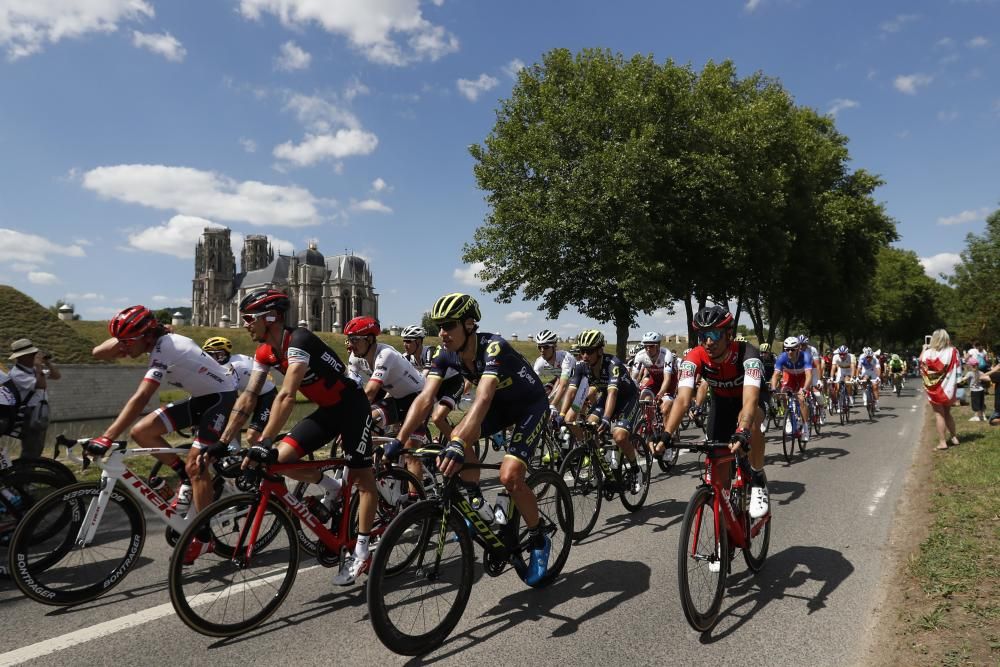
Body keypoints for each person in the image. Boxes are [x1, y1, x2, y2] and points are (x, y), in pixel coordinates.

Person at [383, 293, 554, 586]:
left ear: (470, 324)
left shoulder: (494, 347)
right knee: (458, 438)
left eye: (449, 326)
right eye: (439, 326)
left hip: (529, 406)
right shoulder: (444, 354)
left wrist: (460, 443)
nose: (442, 333)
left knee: (510, 476)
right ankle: (477, 503)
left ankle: (538, 537)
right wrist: (400, 439)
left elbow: (484, 395)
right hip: (500, 407)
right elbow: (425, 398)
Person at [217, 289, 378, 585]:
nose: (245, 325)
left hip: (353, 407)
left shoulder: (299, 341)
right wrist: (224, 441)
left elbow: (287, 395)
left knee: (362, 478)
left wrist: (262, 443)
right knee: (281, 460)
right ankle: (331, 486)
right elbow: (249, 396)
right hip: (328, 411)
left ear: (271, 317)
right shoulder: (265, 351)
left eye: (249, 318)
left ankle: (362, 550)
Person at [91, 306, 238, 562]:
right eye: (121, 342)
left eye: (127, 342)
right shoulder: (154, 341)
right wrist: (120, 343)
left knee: (198, 464)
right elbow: (97, 353)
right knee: (142, 432)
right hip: (200, 398)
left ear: (147, 336)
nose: (123, 348)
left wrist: (108, 436)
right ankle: (184, 477)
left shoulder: (167, 347)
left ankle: (204, 537)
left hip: (220, 398)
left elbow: (142, 397)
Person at [661, 305, 769, 518]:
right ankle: (726, 525)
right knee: (719, 475)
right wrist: (666, 434)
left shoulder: (748, 354)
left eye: (714, 334)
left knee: (752, 419)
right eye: (703, 335)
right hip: (721, 403)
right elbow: (682, 399)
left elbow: (749, 400)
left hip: (750, 400)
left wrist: (743, 430)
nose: (708, 341)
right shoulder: (694, 356)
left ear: (729, 334)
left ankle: (757, 479)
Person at [344, 316, 427, 497]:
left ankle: (416, 503)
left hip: (420, 397)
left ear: (370, 339)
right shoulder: (355, 357)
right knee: (369, 423)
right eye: (349, 340)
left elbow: (371, 391)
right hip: (398, 398)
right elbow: (353, 389)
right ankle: (381, 467)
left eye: (354, 340)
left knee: (411, 450)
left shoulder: (385, 354)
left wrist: (349, 419)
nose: (350, 345)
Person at [201, 336, 277, 447]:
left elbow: (229, 396)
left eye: (210, 355)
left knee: (252, 436)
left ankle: (270, 459)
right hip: (254, 395)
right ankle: (235, 450)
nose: (207, 358)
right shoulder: (237, 358)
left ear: (221, 355)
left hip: (267, 397)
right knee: (232, 417)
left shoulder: (234, 367)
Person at [400, 324, 466, 443]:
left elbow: (424, 377)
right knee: (420, 410)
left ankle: (457, 445)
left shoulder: (430, 351)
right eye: (404, 341)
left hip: (452, 383)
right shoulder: (406, 357)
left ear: (419, 342)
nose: (405, 344)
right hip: (436, 385)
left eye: (409, 341)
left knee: (438, 418)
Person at [7, 338, 60, 458]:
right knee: (31, 447)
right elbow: (41, 385)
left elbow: (56, 376)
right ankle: (24, 473)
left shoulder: (33, 370)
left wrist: (47, 363)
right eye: (31, 355)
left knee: (38, 446)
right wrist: (39, 367)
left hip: (39, 410)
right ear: (21, 357)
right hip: (29, 413)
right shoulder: (16, 373)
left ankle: (30, 471)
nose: (34, 357)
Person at [919, 329, 960, 450]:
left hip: (934, 389)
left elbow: (921, 362)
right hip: (949, 388)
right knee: (947, 413)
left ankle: (943, 442)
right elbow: (958, 368)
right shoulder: (953, 351)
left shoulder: (927, 353)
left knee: (939, 415)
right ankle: (954, 437)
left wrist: (923, 349)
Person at [771, 336, 814, 442]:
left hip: (803, 378)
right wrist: (773, 388)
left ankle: (805, 428)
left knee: (801, 398)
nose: (790, 352)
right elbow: (775, 375)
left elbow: (809, 375)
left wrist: (804, 389)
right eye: (787, 349)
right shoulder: (782, 357)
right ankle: (789, 417)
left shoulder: (806, 356)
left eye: (792, 349)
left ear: (798, 348)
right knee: (783, 393)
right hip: (790, 377)